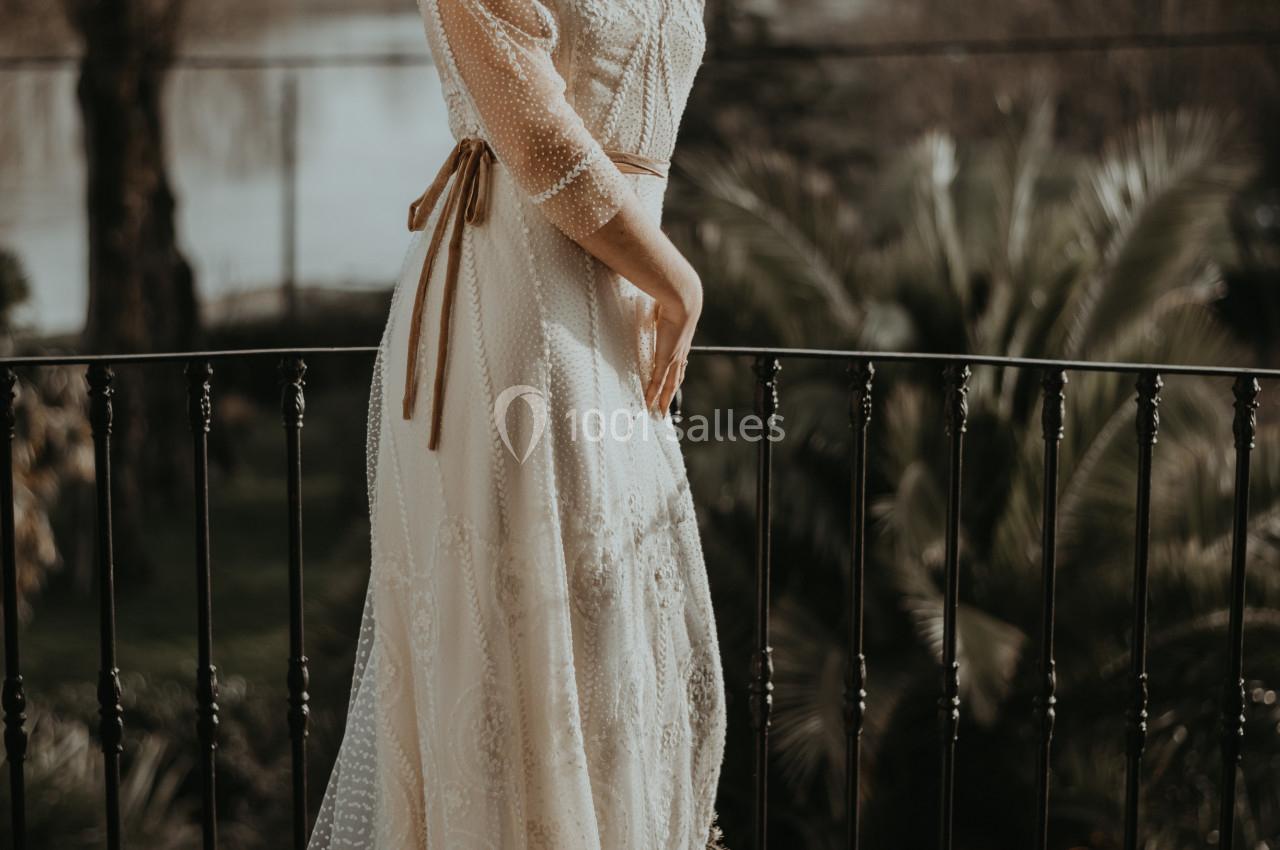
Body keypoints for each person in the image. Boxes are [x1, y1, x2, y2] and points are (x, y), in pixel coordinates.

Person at [307, 0, 727, 846]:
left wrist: (654, 286)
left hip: (615, 314)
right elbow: (541, 142)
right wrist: (680, 282)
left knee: (616, 647)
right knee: (519, 651)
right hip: (515, 308)